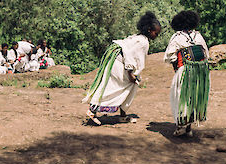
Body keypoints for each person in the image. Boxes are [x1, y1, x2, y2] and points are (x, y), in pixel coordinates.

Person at [83, 12, 161, 126]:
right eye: (156, 33)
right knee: (115, 87)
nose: (156, 36)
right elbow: (130, 55)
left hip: (116, 60)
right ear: (149, 30)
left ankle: (123, 116)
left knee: (124, 85)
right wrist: (130, 73)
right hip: (120, 63)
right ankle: (92, 110)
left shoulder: (138, 37)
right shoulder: (143, 42)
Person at [165, 10, 209, 138]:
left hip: (184, 70)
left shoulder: (177, 37)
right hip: (200, 71)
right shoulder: (198, 36)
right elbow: (205, 53)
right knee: (194, 97)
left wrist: (176, 68)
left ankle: (180, 127)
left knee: (180, 96)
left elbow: (170, 56)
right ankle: (189, 128)